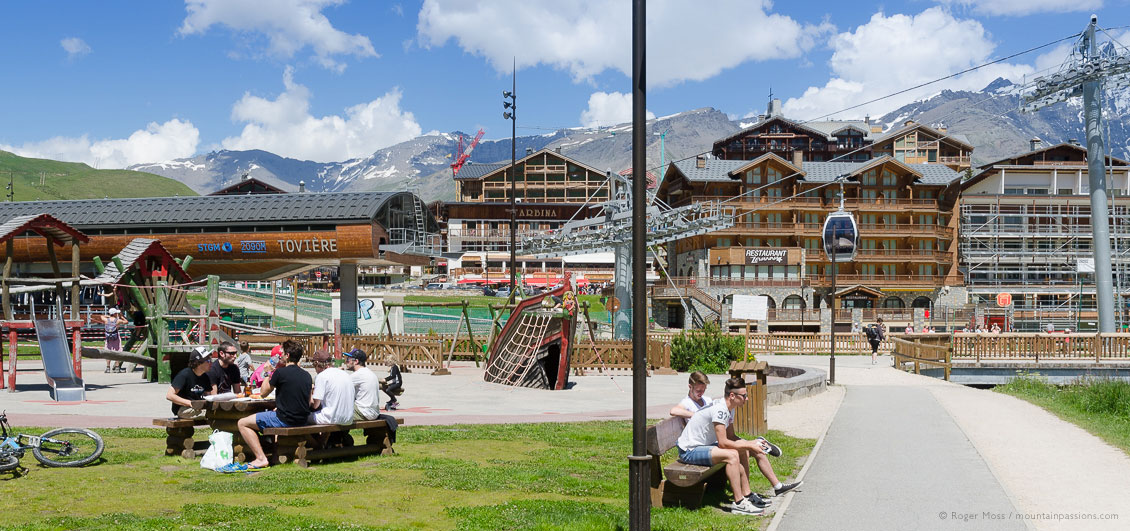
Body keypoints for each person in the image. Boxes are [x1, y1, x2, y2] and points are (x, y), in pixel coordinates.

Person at [675, 377, 801, 515]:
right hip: (689, 450)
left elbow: (732, 437)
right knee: (732, 455)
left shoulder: (730, 408)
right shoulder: (720, 410)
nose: (746, 399)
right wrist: (749, 444)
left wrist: (750, 443)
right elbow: (723, 442)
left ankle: (747, 495)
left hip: (704, 445)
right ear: (732, 396)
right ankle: (739, 503)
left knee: (742, 450)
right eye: (744, 396)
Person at [233, 340, 312, 472]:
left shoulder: (280, 373)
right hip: (302, 419)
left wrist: (268, 372)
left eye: (281, 353)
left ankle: (261, 458)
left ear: (287, 355)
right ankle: (272, 453)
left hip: (285, 420)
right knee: (270, 414)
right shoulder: (307, 375)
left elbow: (263, 393)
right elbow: (308, 402)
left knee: (242, 423)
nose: (280, 356)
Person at [308, 349, 355, 426]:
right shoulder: (345, 374)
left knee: (303, 417)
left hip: (331, 418)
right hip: (348, 418)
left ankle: (313, 438)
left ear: (316, 364)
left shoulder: (321, 376)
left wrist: (310, 392)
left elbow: (315, 405)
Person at [166, 349, 214, 418]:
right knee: (211, 414)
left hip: (198, 408)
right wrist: (190, 403)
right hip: (183, 408)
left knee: (216, 412)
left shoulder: (205, 376)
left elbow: (208, 396)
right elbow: (169, 395)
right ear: (198, 363)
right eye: (208, 361)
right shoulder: (184, 375)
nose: (211, 363)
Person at [343, 348, 381, 421]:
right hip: (373, 412)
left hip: (363, 412)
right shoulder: (369, 372)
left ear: (356, 361)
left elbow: (339, 384)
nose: (346, 362)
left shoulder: (358, 374)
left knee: (334, 410)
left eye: (348, 359)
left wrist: (336, 372)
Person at [104, 308, 124, 373]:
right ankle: (117, 367)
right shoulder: (118, 320)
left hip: (108, 338)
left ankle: (108, 368)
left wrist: (109, 316)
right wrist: (121, 316)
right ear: (115, 313)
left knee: (108, 351)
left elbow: (101, 316)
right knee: (117, 351)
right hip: (116, 337)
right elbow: (126, 321)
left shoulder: (106, 320)